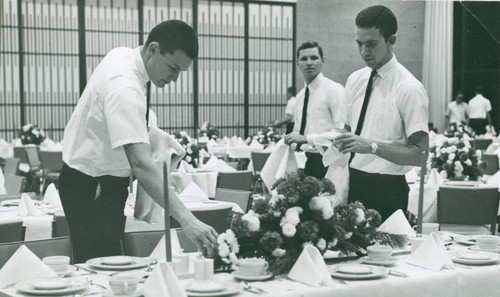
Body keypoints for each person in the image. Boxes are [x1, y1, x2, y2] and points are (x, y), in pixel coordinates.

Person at [59, 20, 218, 263]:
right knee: (100, 267)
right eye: (173, 68)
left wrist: (152, 134)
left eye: (180, 72)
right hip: (92, 185)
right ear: (153, 49)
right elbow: (141, 164)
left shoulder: (125, 55)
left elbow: (108, 120)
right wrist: (187, 219)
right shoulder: (124, 84)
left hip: (98, 180)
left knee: (108, 265)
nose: (174, 78)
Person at [333, 5, 429, 221]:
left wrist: (371, 147)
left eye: (371, 44)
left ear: (391, 40)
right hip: (353, 182)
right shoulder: (354, 80)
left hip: (388, 190)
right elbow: (346, 128)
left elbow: (421, 155)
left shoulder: (409, 88)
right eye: (359, 44)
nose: (364, 52)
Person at [283, 41, 345, 180]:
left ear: (322, 60)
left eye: (314, 58)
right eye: (304, 59)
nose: (309, 62)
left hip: (332, 162)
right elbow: (298, 132)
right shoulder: (300, 97)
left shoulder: (334, 90)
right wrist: (290, 140)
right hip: (309, 162)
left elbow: (343, 133)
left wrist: (306, 138)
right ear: (297, 62)